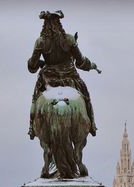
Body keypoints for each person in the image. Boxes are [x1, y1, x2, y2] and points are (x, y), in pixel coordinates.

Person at [27, 10, 99, 140]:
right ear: (59, 23)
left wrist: (39, 63)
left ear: (45, 25)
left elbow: (32, 66)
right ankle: (92, 124)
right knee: (86, 96)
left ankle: (32, 127)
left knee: (36, 97)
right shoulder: (69, 39)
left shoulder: (40, 42)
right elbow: (81, 62)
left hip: (49, 78)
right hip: (70, 77)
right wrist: (92, 65)